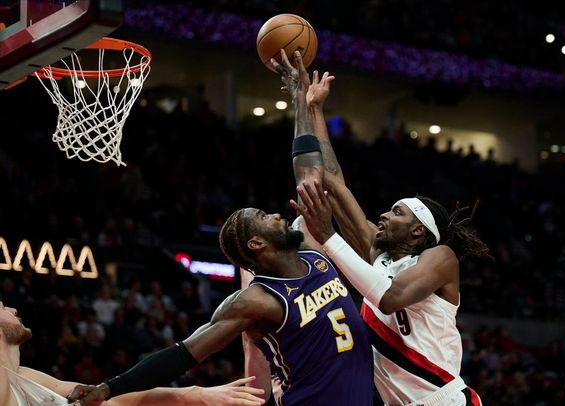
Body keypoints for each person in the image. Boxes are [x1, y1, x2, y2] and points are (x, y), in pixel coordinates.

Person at [67, 50, 374, 406]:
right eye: (264, 216)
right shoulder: (257, 299)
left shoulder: (311, 246)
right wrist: (108, 387)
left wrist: (299, 100)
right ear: (257, 244)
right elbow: (185, 353)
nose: (277, 215)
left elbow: (309, 174)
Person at [277, 51, 490, 405]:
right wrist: (311, 107)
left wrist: (329, 236)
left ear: (418, 232)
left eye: (397, 213)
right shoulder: (378, 257)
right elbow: (333, 183)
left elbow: (389, 299)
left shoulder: (441, 258)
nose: (384, 216)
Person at [0, 301, 265, 406]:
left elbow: (109, 400)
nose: (13, 309)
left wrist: (198, 395)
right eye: (2, 307)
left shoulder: (25, 377)